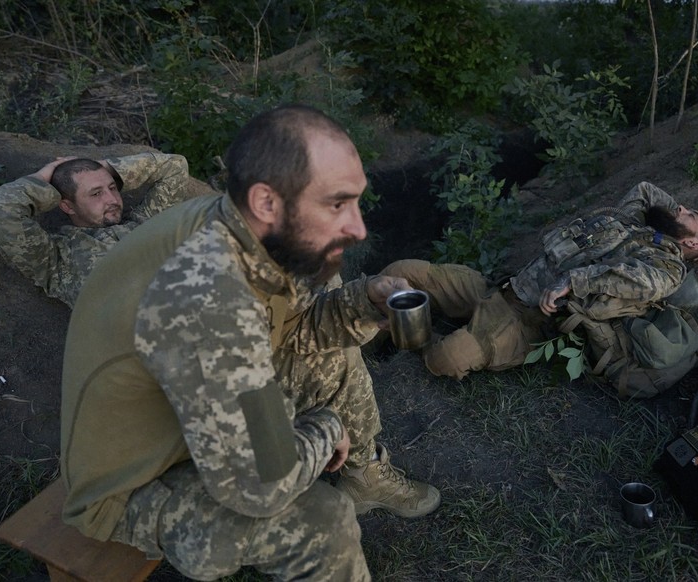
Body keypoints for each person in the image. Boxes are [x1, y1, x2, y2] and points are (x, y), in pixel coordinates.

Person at [60, 105, 440, 581]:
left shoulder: (250, 232)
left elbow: (296, 330)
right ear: (266, 202)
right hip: (135, 477)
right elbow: (262, 485)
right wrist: (325, 431)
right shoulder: (207, 295)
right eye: (336, 205)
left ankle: (365, 477)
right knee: (322, 522)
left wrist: (367, 302)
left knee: (335, 358)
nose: (358, 228)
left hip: (191, 408)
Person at [380, 181, 698, 380]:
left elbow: (638, 282)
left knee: (445, 359)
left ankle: (415, 336)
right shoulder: (636, 223)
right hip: (502, 287)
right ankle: (373, 326)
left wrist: (573, 279)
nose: (681, 208)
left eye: (690, 216)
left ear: (692, 244)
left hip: (524, 321)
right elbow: (646, 190)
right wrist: (674, 216)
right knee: (403, 269)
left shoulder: (668, 269)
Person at [0, 152, 191, 307]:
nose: (113, 199)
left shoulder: (145, 222)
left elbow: (174, 166)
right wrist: (42, 179)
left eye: (112, 188)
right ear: (67, 206)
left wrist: (105, 168)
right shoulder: (56, 260)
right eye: (96, 193)